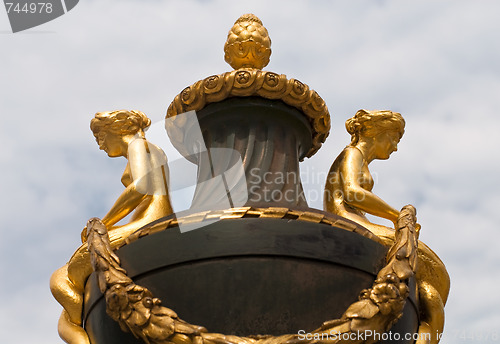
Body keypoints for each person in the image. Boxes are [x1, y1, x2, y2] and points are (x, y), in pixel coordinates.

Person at [324, 109, 449, 344]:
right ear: (376, 133)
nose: (395, 146)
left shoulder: (359, 158)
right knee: (432, 269)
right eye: (394, 138)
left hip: (358, 222)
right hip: (349, 223)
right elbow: (352, 193)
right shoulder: (352, 153)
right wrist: (396, 215)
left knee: (433, 279)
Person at [87, 109, 173, 241]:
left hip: (154, 218)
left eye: (101, 137)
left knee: (90, 248)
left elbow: (140, 187)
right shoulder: (141, 147)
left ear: (116, 131)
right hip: (145, 217)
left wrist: (104, 223)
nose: (100, 145)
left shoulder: (137, 145)